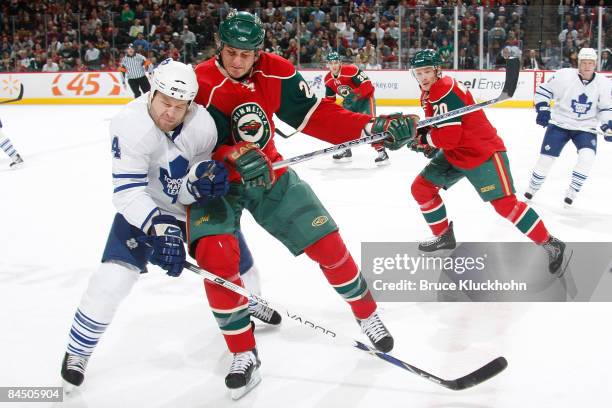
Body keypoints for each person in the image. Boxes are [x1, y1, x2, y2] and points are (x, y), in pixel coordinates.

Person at [190, 10, 415, 400]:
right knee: (216, 259)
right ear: (218, 47)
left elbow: (316, 116)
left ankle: (367, 315)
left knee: (327, 243)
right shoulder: (197, 82)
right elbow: (181, 144)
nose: (239, 61)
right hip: (216, 184)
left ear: (259, 52)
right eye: (231, 52)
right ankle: (243, 353)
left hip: (271, 175)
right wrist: (227, 154)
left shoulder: (275, 71)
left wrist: (370, 127)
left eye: (247, 54)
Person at [60, 59, 279, 392]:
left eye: (180, 106)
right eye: (165, 102)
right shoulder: (128, 125)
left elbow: (197, 175)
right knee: (110, 280)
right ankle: (78, 351)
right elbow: (128, 193)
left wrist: (203, 182)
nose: (171, 112)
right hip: (144, 209)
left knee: (235, 260)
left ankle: (250, 301)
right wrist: (160, 227)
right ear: (152, 91)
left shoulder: (202, 125)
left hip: (191, 208)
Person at [407, 49, 569, 275]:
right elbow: (442, 127)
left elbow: (449, 137)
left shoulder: (443, 90)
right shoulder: (430, 90)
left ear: (437, 70)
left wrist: (426, 139)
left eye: (427, 72)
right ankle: (444, 236)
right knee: (422, 188)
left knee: (506, 206)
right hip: (457, 153)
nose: (423, 77)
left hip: (482, 153)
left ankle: (551, 243)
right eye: (419, 72)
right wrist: (426, 137)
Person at [525, 47, 612, 205]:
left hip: (585, 127)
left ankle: (572, 192)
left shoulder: (604, 84)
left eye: (590, 63)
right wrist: (543, 109)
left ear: (595, 65)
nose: (587, 66)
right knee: (546, 159)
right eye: (584, 62)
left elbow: (606, 108)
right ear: (578, 63)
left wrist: (608, 126)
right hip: (561, 124)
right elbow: (543, 91)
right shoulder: (564, 75)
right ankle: (532, 188)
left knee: (587, 157)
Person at [324, 51, 389, 165]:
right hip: (349, 103)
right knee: (340, 124)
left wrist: (354, 95)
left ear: (340, 63)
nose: (333, 65)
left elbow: (368, 86)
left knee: (370, 126)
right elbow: (330, 99)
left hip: (365, 100)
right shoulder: (328, 79)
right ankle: (345, 149)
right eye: (331, 63)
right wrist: (324, 110)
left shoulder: (351, 70)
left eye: (336, 62)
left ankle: (381, 152)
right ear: (327, 65)